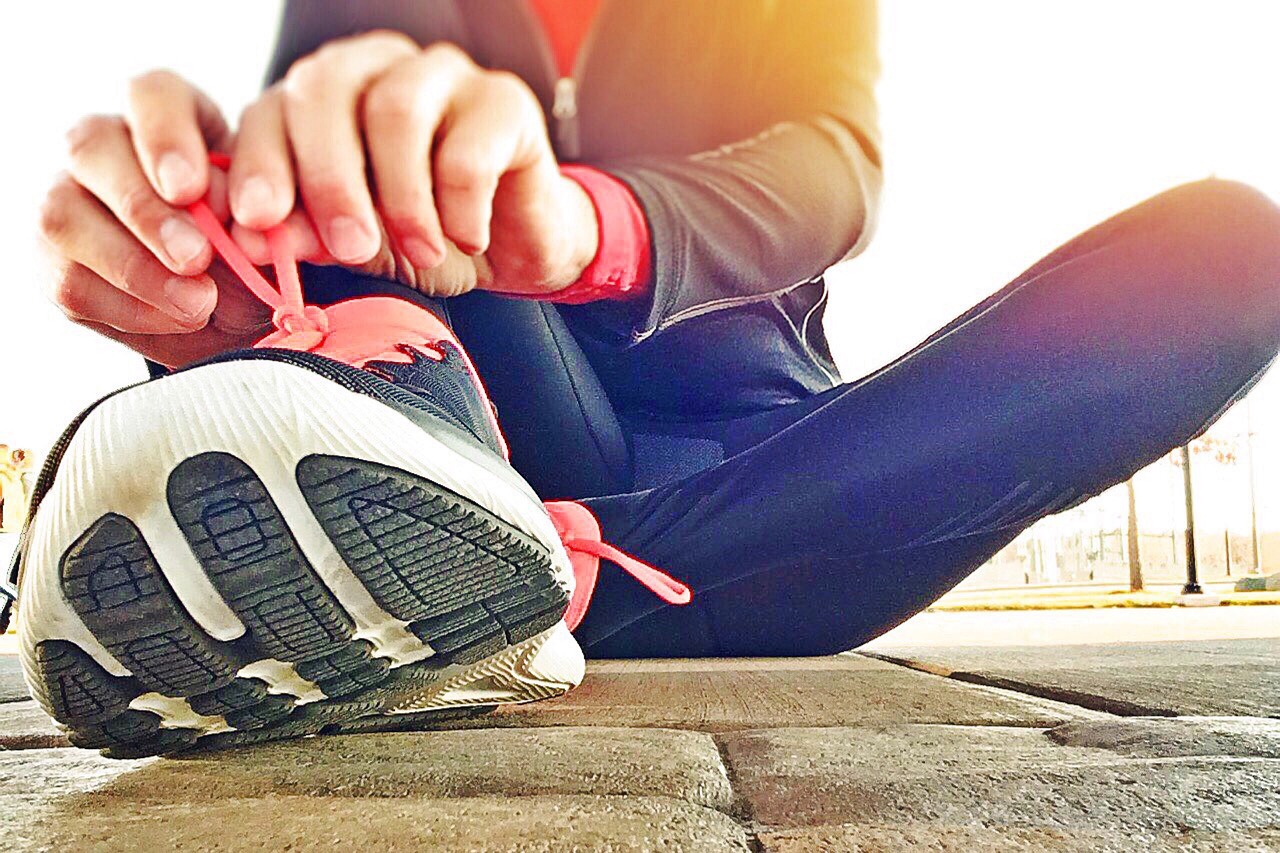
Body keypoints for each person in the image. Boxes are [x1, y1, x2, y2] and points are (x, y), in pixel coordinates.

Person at [5, 1, 1279, 757]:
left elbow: (830, 174)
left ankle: (538, 578)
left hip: (764, 454)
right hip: (491, 412)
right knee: (367, 152)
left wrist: (585, 223)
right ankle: (512, 565)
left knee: (1232, 251)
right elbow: (328, 213)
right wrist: (216, 248)